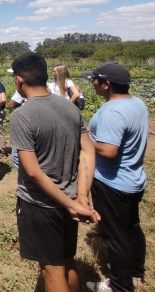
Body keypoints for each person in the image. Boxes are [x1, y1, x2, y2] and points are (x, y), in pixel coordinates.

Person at [9, 53, 100, 292]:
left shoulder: (22, 115)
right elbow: (88, 152)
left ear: (19, 81)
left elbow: (33, 172)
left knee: (51, 269)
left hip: (41, 204)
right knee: (67, 260)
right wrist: (80, 197)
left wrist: (73, 205)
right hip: (70, 198)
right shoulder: (69, 106)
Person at [82, 63, 148, 292]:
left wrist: (85, 139)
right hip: (133, 178)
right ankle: (136, 272)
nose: (92, 83)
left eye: (95, 80)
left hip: (112, 182)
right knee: (131, 227)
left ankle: (120, 285)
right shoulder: (136, 103)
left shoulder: (112, 111)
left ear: (106, 84)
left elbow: (109, 150)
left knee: (115, 236)